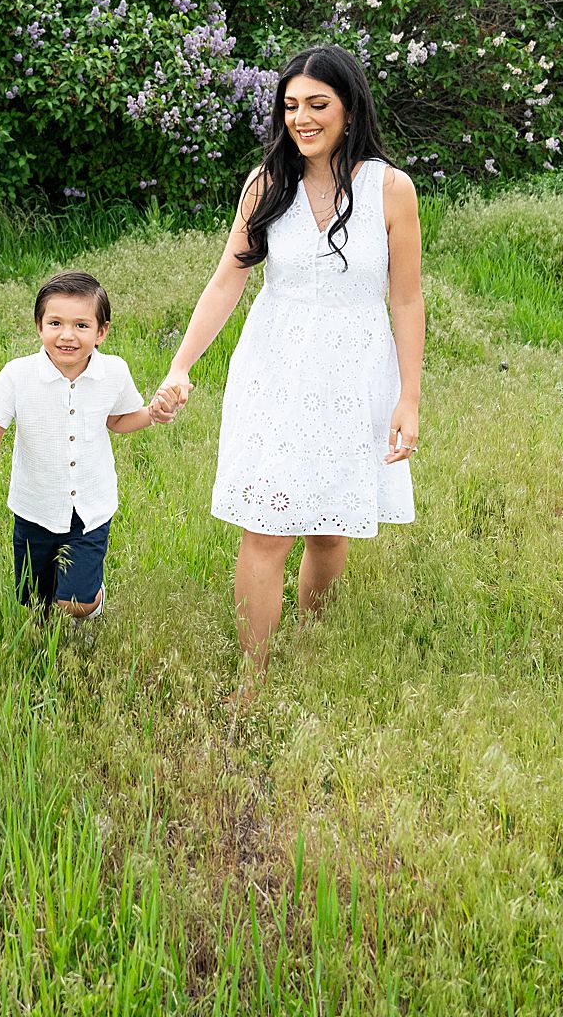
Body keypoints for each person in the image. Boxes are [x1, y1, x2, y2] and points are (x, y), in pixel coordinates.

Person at [159, 44, 423, 690]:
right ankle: (251, 683)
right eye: (290, 106)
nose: (301, 118)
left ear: (349, 108)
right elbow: (228, 280)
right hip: (275, 369)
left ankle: (311, 645)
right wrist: (181, 366)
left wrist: (409, 398)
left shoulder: (390, 188)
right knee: (267, 526)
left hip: (356, 372)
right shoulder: (266, 182)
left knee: (330, 530)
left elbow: (407, 296)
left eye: (317, 105)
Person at [0, 270, 178, 620]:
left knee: (75, 603)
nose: (67, 335)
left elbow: (118, 420)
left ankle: (92, 598)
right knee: (35, 604)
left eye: (82, 326)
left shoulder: (113, 372)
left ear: (102, 332)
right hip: (33, 507)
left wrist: (151, 414)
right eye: (55, 323)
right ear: (39, 326)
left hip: (90, 509)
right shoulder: (17, 375)